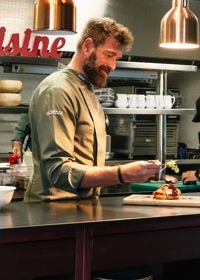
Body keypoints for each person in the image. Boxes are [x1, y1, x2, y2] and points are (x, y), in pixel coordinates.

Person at [25, 17, 161, 201]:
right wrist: (122, 174)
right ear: (87, 46)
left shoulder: (87, 90)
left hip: (81, 209)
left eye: (116, 59)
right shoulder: (58, 90)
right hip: (53, 212)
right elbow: (58, 171)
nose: (113, 66)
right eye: (109, 55)